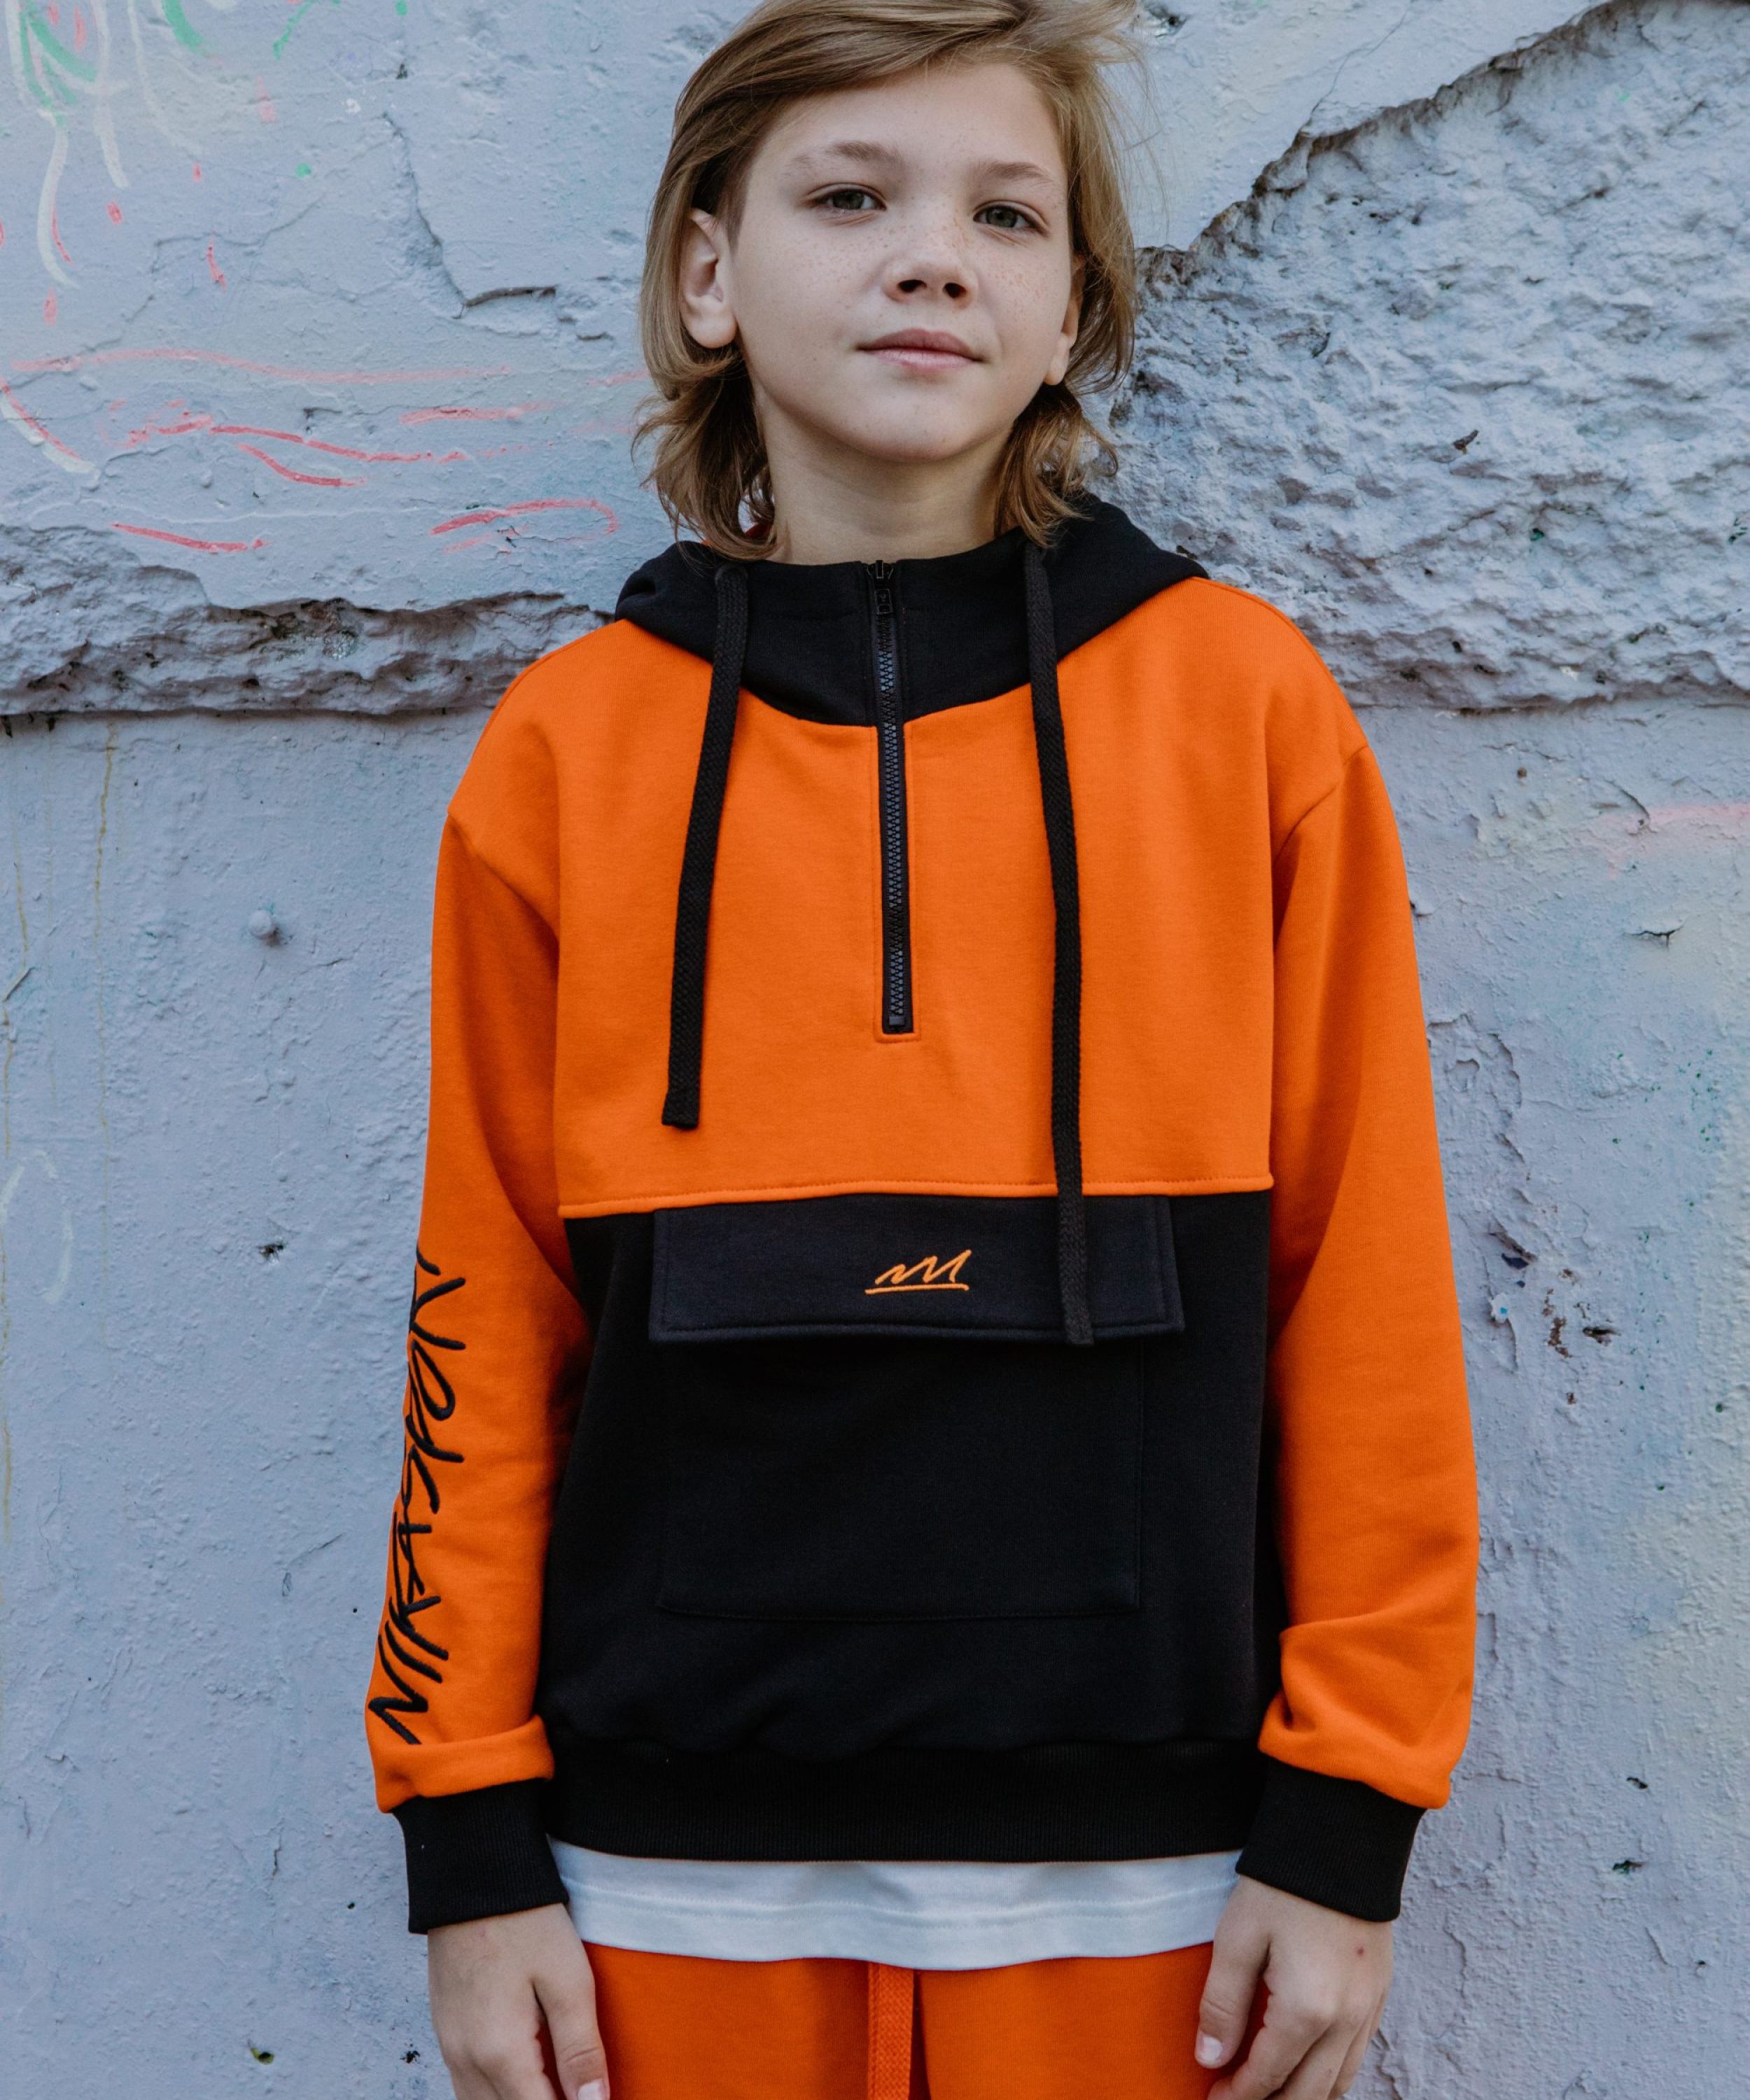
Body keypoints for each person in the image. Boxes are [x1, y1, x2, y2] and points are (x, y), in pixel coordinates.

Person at [363, 2, 1478, 2095]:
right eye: (851, 197)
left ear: (1074, 307)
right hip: (658, 1884)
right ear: (709, 273)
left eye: (1004, 215)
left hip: (1152, 1882)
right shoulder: (568, 752)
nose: (931, 258)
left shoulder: (1242, 712)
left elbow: (1367, 1284)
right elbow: (482, 1308)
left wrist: (1350, 1807)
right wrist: (466, 1830)